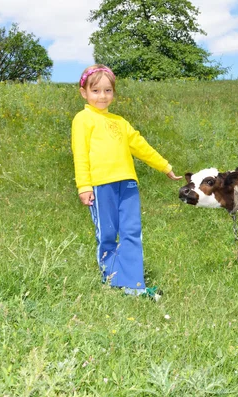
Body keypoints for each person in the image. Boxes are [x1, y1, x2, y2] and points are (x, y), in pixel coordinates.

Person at [71, 64, 182, 299]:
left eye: (108, 91)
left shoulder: (120, 121)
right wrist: (84, 186)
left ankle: (134, 284)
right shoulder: (83, 119)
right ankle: (112, 280)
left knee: (132, 232)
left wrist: (165, 166)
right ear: (84, 93)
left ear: (114, 92)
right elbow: (80, 154)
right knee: (108, 234)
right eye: (96, 91)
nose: (102, 96)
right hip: (101, 186)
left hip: (128, 184)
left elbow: (140, 146)